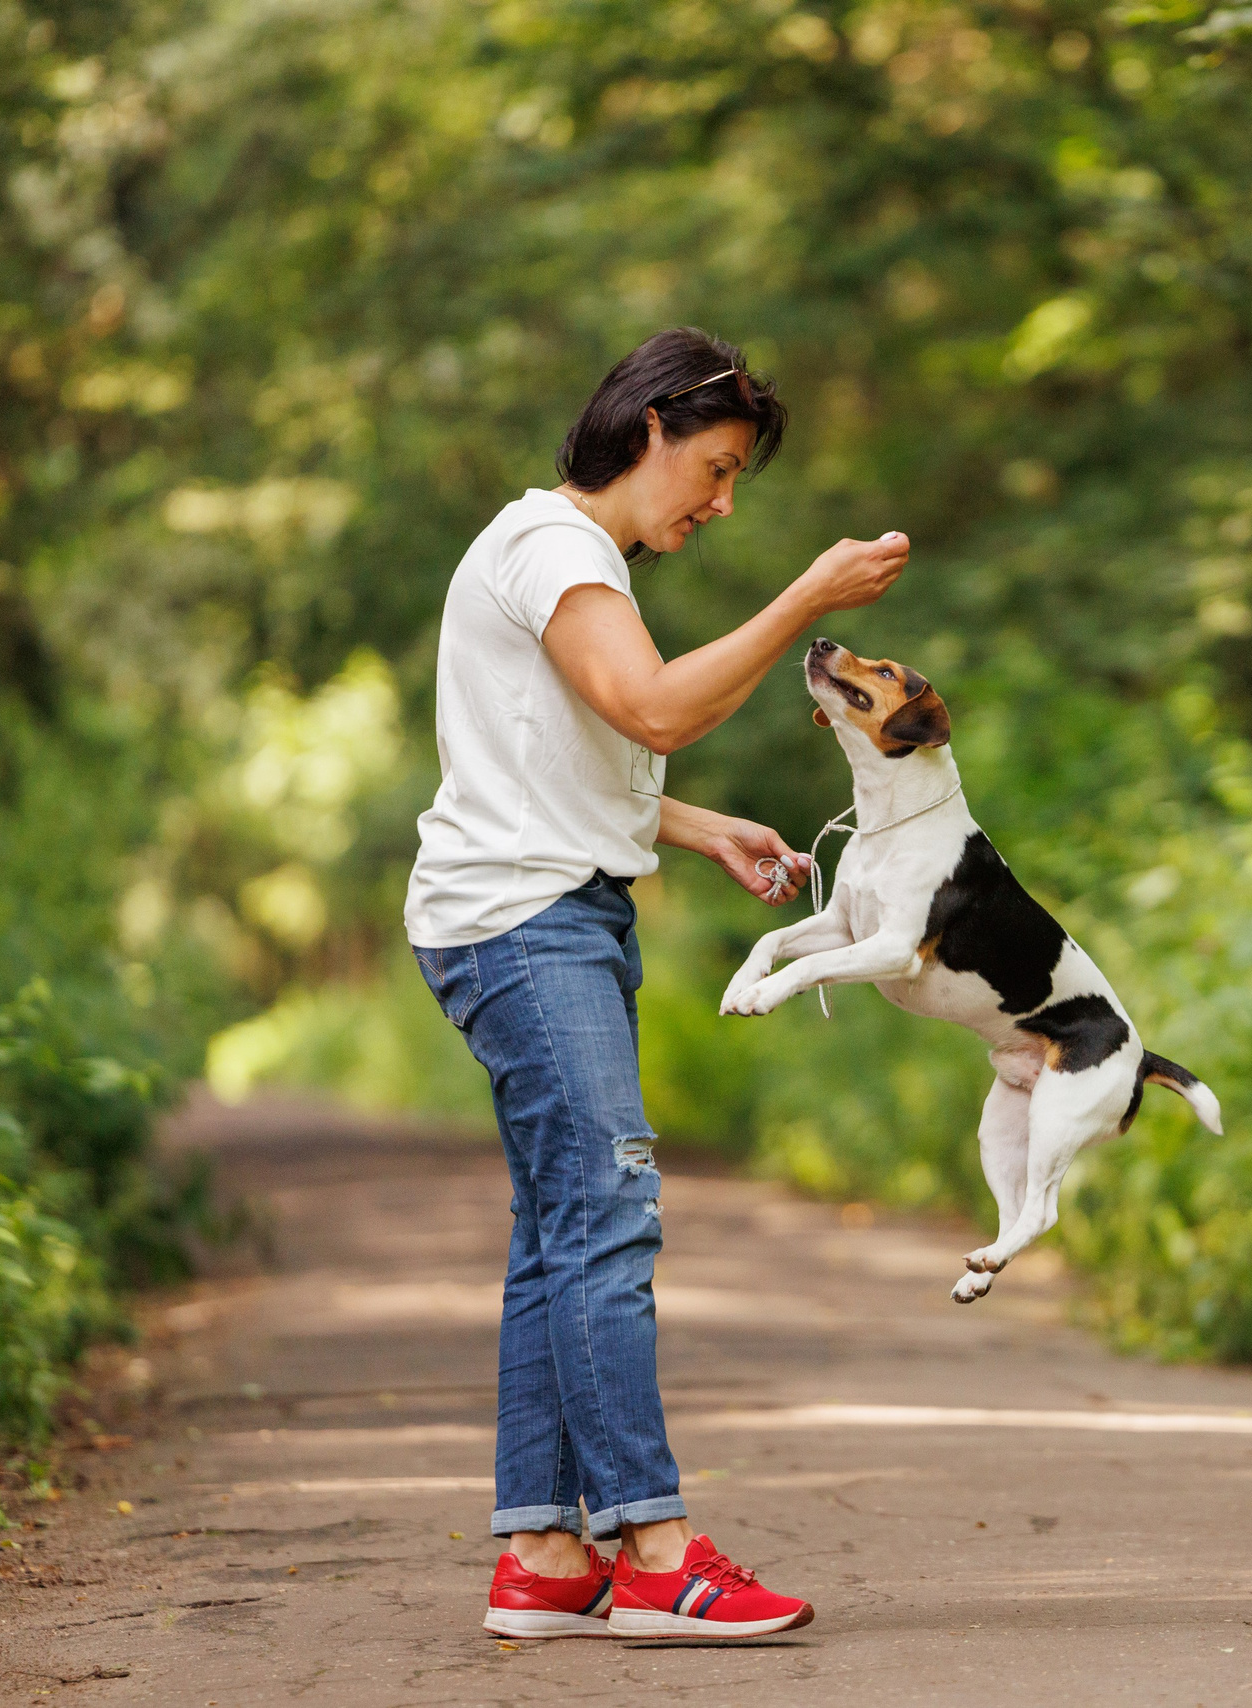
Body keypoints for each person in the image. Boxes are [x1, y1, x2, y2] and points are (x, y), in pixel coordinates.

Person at [404, 327, 908, 1641]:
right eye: (717, 468)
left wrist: (692, 826)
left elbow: (553, 759)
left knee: (562, 1226)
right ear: (647, 432)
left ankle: (544, 1554)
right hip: (528, 927)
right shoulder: (559, 550)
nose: (722, 502)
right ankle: (655, 1553)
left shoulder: (555, 552)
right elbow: (659, 710)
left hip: (531, 910)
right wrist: (807, 599)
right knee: (609, 1215)